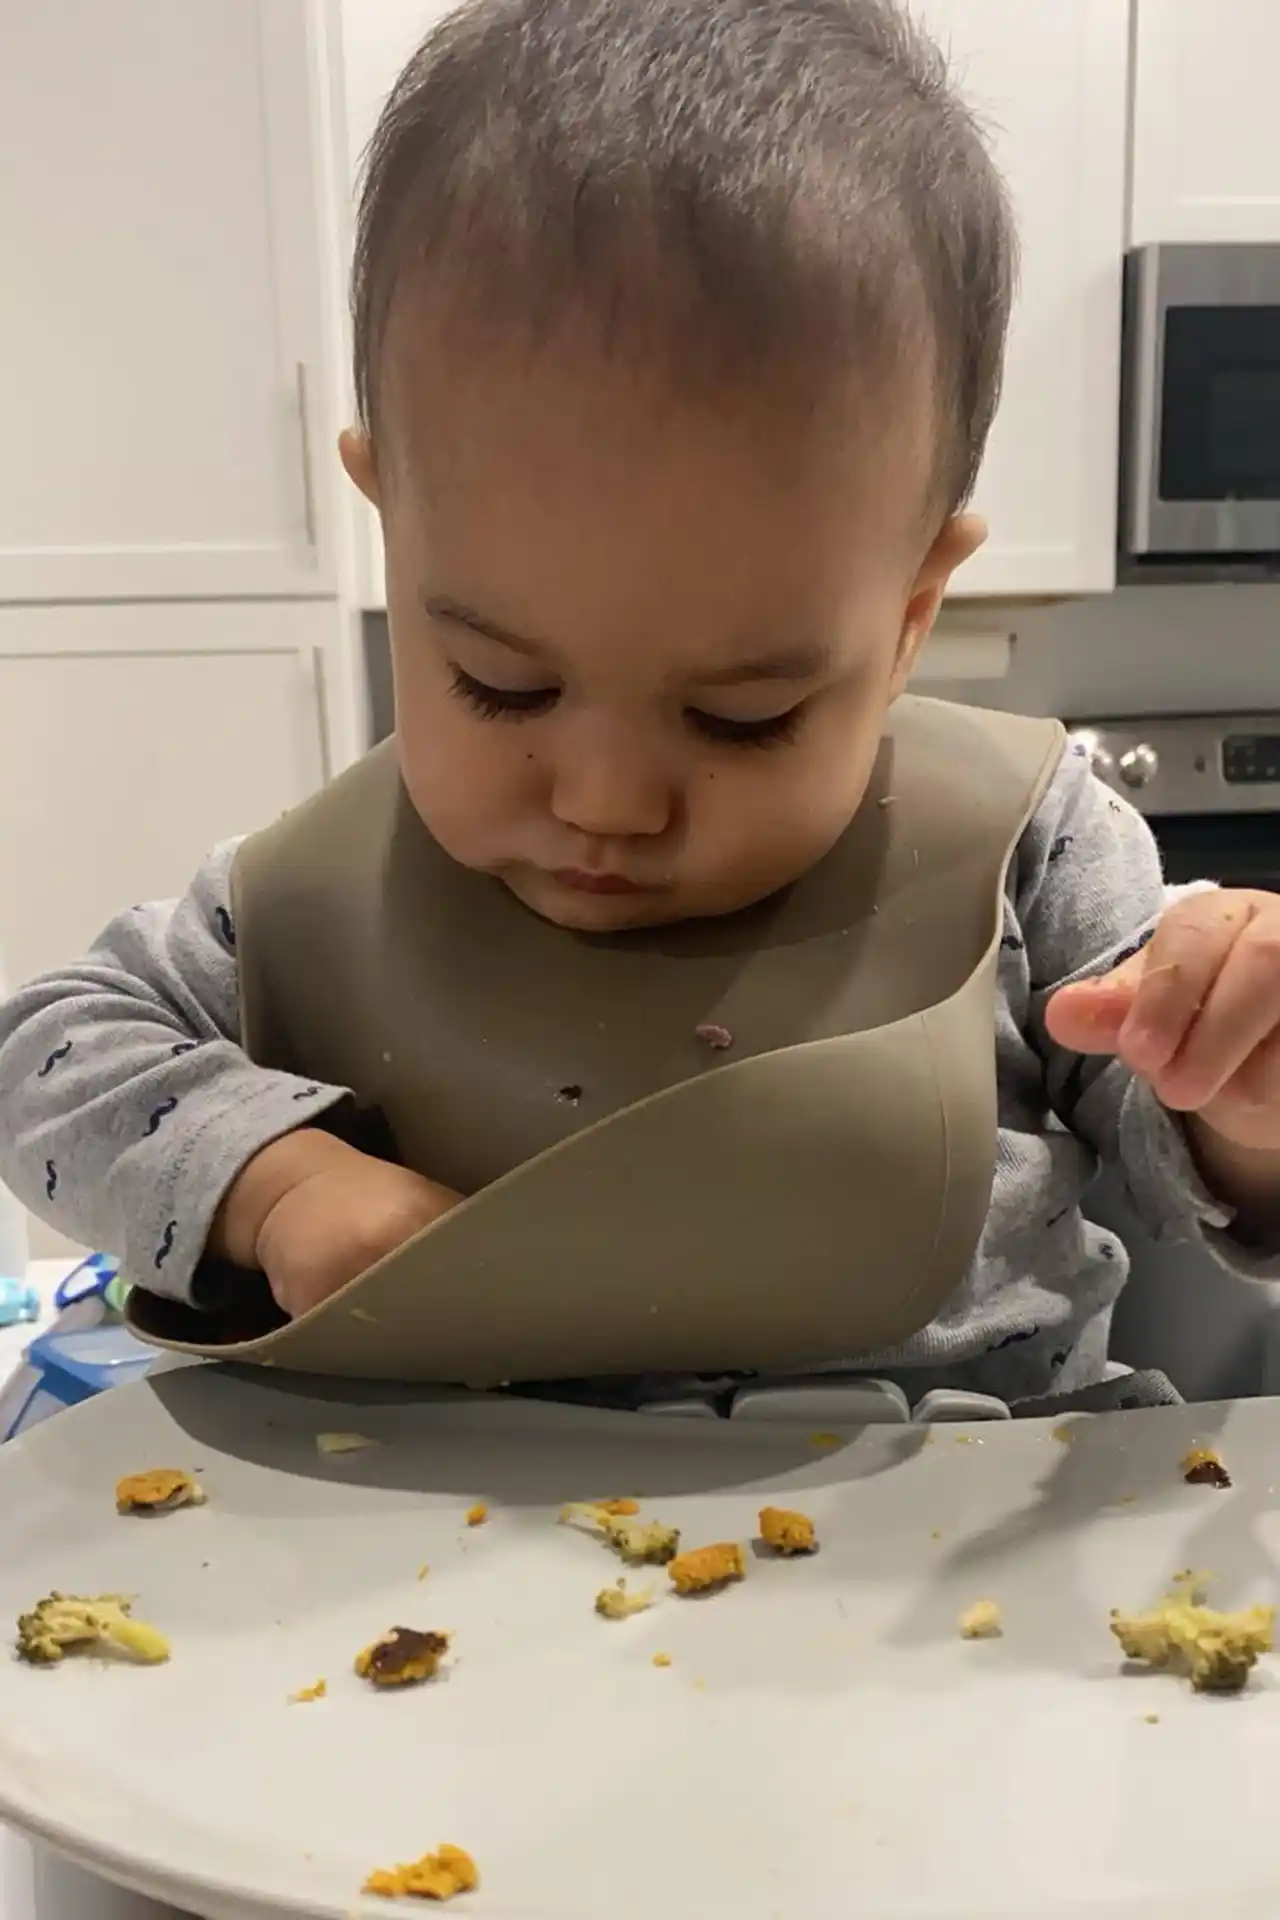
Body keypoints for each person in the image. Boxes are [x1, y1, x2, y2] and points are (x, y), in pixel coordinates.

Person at [2, 0, 1278, 1411]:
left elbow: (1175, 1146)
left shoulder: (1029, 849)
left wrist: (1237, 1093)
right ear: (394, 534)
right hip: (460, 1582)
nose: (605, 801)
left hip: (961, 1552)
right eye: (504, 685)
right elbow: (48, 1055)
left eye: (743, 716)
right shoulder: (313, 898)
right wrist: (276, 1178)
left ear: (911, 611)